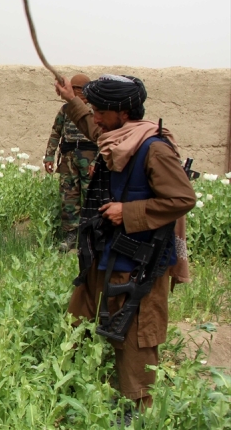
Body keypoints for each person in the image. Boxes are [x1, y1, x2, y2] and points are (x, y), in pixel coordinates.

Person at [54, 74, 195, 412]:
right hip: (104, 255)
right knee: (78, 322)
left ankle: (137, 410)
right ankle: (73, 393)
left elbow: (181, 199)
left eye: (101, 110)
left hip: (138, 264)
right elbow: (93, 128)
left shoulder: (154, 149)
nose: (96, 117)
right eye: (94, 109)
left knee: (135, 339)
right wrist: (71, 101)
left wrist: (127, 210)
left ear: (122, 111)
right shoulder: (117, 138)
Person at [44, 74, 98, 251]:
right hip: (68, 156)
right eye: (74, 89)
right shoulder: (66, 109)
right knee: (68, 197)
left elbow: (102, 137)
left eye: (80, 89)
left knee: (90, 196)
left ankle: (91, 237)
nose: (77, 92)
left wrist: (97, 161)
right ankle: (71, 235)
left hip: (88, 156)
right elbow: (56, 132)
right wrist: (50, 156)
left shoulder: (93, 110)